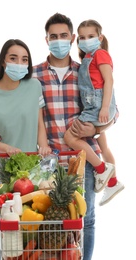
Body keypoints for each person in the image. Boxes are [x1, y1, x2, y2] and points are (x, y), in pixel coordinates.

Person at [0, 13, 119, 260]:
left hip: (82, 159)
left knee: (85, 220)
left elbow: (113, 111)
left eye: (64, 36)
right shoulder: (32, 75)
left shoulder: (87, 72)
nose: (59, 40)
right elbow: (11, 106)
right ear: (46, 39)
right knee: (47, 227)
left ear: (72, 40)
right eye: (53, 36)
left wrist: (96, 130)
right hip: (46, 163)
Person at [0, 39, 52, 260]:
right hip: (0, 167)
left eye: (24, 59)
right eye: (13, 58)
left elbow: (39, 123)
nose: (19, 63)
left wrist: (43, 144)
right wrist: (5, 147)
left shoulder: (33, 86)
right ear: (4, 62)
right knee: (3, 223)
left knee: (34, 221)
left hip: (32, 166)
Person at [64, 19, 124, 205]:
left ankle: (101, 169)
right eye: (81, 37)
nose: (85, 40)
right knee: (103, 147)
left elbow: (109, 81)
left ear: (100, 37)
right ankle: (113, 183)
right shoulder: (87, 59)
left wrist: (105, 108)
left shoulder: (101, 54)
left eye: (90, 36)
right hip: (93, 106)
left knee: (70, 137)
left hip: (98, 106)